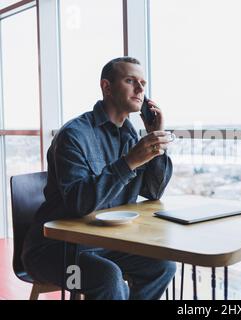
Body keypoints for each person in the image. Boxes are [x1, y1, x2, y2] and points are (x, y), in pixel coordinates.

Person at [22, 56, 176, 300]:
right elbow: (79, 205)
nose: (140, 89)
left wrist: (155, 135)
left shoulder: (131, 136)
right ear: (106, 87)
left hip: (105, 243)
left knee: (162, 265)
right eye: (130, 81)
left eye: (143, 83)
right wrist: (129, 162)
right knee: (106, 276)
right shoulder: (74, 135)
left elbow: (154, 192)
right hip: (54, 252)